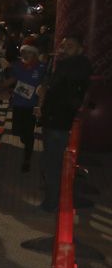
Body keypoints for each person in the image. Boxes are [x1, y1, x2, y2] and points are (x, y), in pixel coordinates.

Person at [37, 35, 92, 211]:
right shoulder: (70, 65)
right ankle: (57, 198)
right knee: (55, 163)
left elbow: (56, 89)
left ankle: (52, 202)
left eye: (70, 46)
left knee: (54, 164)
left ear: (79, 49)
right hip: (56, 119)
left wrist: (46, 90)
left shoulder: (74, 66)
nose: (64, 48)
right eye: (63, 45)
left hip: (58, 121)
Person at [4, 44, 45, 173]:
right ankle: (26, 141)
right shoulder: (17, 66)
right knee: (17, 131)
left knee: (28, 134)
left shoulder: (41, 67)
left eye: (29, 52)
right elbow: (12, 79)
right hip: (17, 104)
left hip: (31, 106)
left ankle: (27, 159)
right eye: (23, 52)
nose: (26, 55)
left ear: (35, 54)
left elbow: (44, 88)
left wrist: (39, 106)